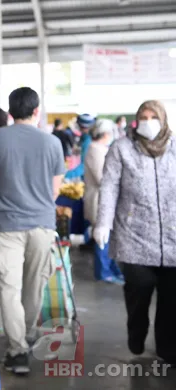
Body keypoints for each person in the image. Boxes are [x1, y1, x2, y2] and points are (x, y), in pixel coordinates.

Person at [0, 87, 64, 375]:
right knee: (34, 287)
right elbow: (55, 190)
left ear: (10, 112)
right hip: (42, 226)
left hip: (7, 227)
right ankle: (25, 335)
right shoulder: (52, 142)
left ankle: (18, 351)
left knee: (9, 289)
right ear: (36, 111)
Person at [94, 100, 176, 363]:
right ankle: (137, 332)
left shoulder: (174, 147)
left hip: (172, 237)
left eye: (154, 117)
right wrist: (103, 222)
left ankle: (167, 349)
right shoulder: (122, 148)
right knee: (140, 289)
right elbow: (109, 187)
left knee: (171, 298)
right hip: (134, 235)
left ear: (163, 120)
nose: (148, 122)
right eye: (144, 117)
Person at [83, 119, 124, 284]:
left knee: (109, 239)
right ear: (106, 134)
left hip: (105, 200)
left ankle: (112, 269)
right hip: (98, 200)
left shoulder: (101, 149)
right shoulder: (95, 150)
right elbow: (102, 178)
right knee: (102, 239)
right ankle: (103, 272)